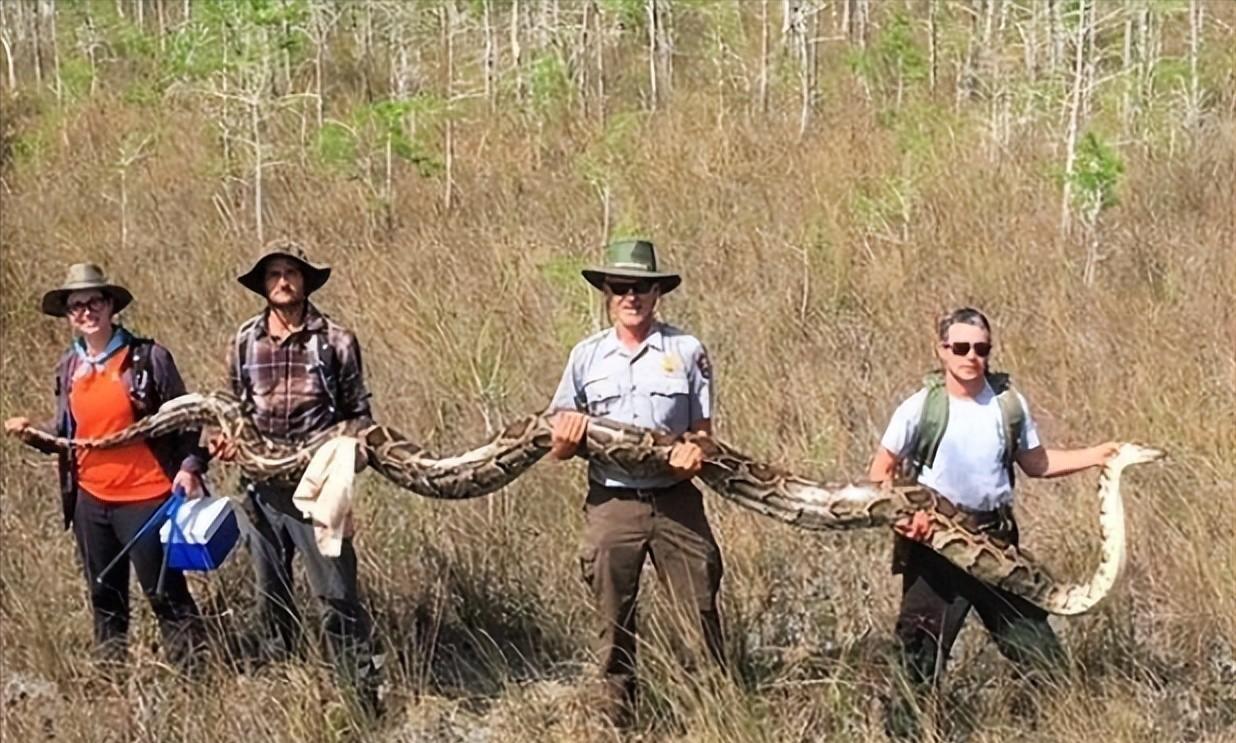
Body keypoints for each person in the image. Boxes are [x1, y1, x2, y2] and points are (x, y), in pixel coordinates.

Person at [868, 306, 1119, 736]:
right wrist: (904, 521)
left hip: (997, 546)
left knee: (1041, 654)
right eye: (960, 347)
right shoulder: (919, 408)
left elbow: (1036, 463)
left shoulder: (1008, 404)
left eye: (980, 348)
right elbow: (881, 471)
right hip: (936, 551)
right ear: (942, 350)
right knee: (917, 662)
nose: (971, 357)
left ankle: (1062, 726)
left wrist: (1097, 455)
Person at [548, 238, 725, 726]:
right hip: (612, 502)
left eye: (641, 287)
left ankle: (712, 720)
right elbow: (558, 447)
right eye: (621, 286)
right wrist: (565, 437)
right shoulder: (585, 356)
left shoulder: (687, 351)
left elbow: (706, 437)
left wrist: (696, 452)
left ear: (657, 293)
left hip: (675, 501)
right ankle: (618, 722)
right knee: (613, 622)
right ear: (606, 292)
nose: (631, 296)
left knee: (700, 614)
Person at [3, 263, 206, 670]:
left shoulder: (148, 358)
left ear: (110, 305)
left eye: (93, 301)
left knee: (164, 593)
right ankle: (111, 680)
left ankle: (197, 677)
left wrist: (189, 466)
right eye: (75, 306)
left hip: (147, 498)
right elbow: (70, 432)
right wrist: (34, 434)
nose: (85, 311)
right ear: (68, 315)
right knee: (104, 594)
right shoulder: (69, 367)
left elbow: (189, 418)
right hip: (90, 501)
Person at [209, 239, 381, 713]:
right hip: (260, 491)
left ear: (305, 281)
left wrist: (344, 452)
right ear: (263, 285)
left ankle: (360, 696)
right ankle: (284, 692)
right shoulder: (244, 340)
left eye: (291, 273)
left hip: (320, 489)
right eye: (273, 275)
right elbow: (232, 409)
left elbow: (358, 414)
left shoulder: (336, 340)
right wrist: (223, 442)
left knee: (337, 595)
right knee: (271, 596)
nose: (283, 282)